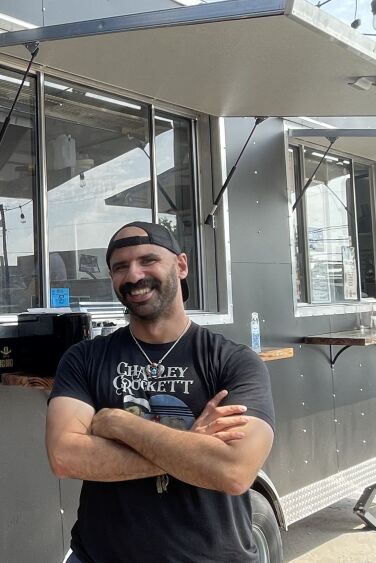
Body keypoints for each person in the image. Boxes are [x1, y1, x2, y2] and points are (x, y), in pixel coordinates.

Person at [46, 221, 275, 563]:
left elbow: (233, 471)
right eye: (120, 267)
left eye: (147, 260)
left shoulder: (232, 361)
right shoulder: (84, 358)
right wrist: (192, 443)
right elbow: (66, 457)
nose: (134, 275)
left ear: (181, 265)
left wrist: (119, 424)